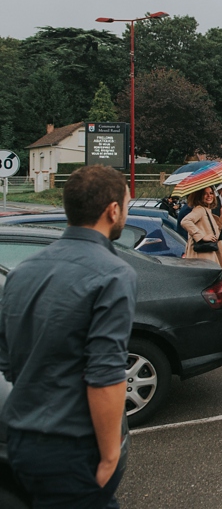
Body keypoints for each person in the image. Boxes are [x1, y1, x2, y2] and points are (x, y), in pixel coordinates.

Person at [0, 165, 137, 507]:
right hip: (72, 448)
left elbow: (8, 361)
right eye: (126, 204)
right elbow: (105, 374)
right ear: (113, 210)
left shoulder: (21, 272)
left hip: (20, 442)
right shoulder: (114, 274)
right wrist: (110, 456)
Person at [180, 187, 222, 270]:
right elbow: (185, 221)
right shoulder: (200, 210)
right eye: (205, 194)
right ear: (199, 196)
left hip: (209, 254)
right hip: (204, 255)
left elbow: (216, 232)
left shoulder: (207, 210)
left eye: (211, 193)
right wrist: (201, 236)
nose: (209, 196)